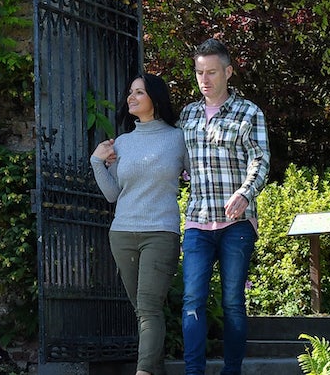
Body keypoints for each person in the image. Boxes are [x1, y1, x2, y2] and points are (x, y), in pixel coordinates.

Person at [179, 38, 271, 375]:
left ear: (228, 72)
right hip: (197, 223)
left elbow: (260, 162)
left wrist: (245, 193)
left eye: (212, 72)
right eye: (199, 72)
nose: (205, 79)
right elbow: (177, 160)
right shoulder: (187, 114)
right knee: (192, 301)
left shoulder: (249, 112)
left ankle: (232, 371)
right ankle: (194, 372)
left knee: (232, 303)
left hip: (236, 224)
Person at [92, 74, 187, 375]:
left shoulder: (178, 138)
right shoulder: (123, 142)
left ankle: (143, 372)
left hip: (161, 232)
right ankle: (153, 370)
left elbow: (199, 180)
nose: (130, 98)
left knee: (148, 308)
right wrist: (96, 162)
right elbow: (112, 195)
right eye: (130, 92)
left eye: (139, 92)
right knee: (143, 312)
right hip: (122, 234)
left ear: (155, 99)